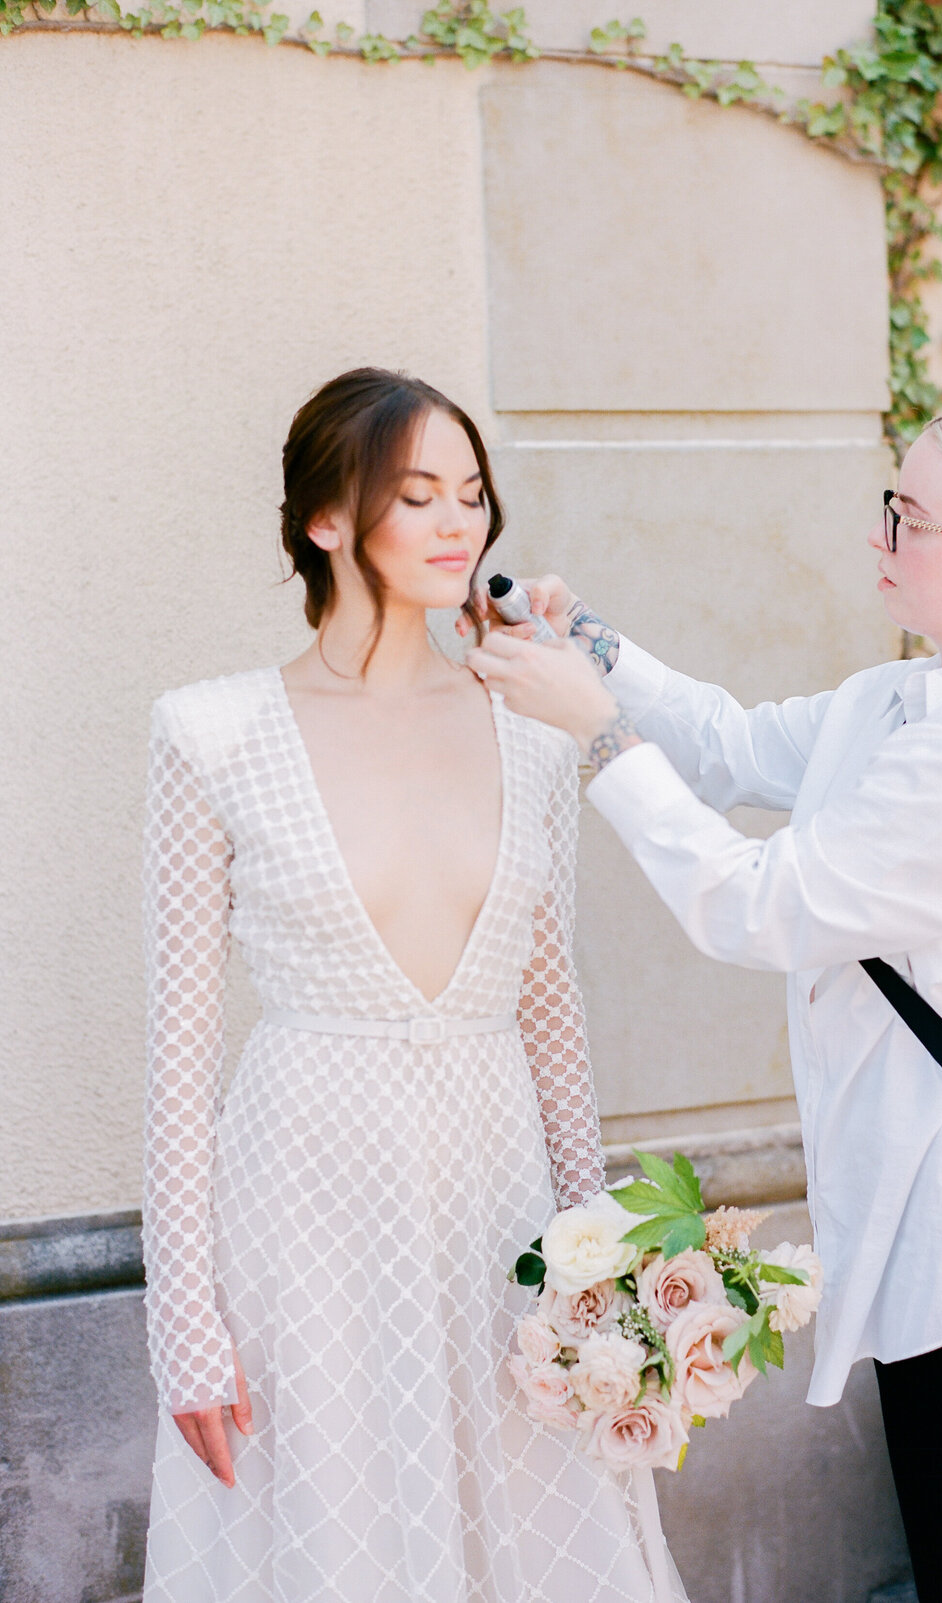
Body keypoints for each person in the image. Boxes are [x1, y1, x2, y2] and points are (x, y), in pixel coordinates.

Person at [465, 397, 942, 1603]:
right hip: (936, 1228)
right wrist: (596, 653)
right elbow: (735, 745)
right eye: (888, 503)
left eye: (910, 515)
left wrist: (593, 739)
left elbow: (759, 905)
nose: (882, 533)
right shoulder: (915, 699)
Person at [140, 367, 687, 1602]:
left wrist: (597, 1258)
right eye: (419, 496)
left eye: (474, 494)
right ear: (328, 520)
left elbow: (554, 1015)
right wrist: (184, 1321)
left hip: (498, 1210)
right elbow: (176, 1059)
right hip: (301, 1219)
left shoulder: (530, 721)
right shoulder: (210, 731)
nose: (460, 525)